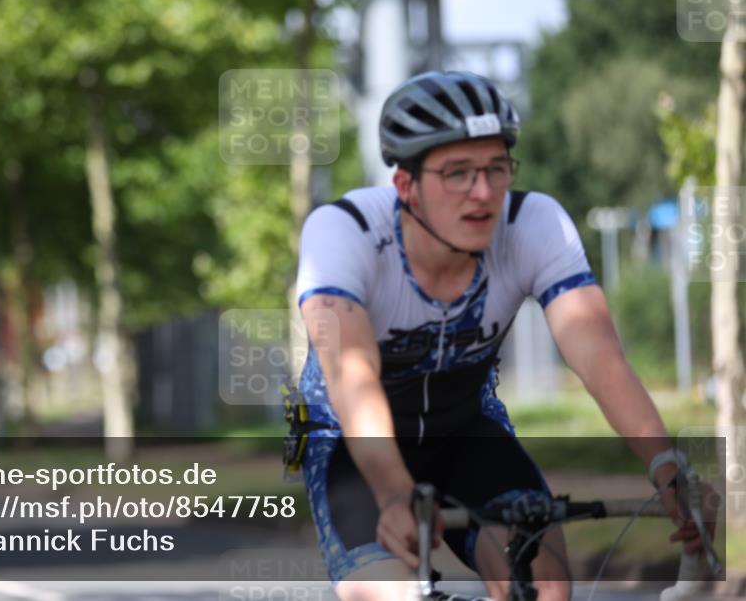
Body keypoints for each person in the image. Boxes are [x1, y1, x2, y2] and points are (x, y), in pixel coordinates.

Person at [292, 70, 711, 601]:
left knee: (545, 582)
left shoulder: (534, 224)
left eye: (496, 168)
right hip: (356, 446)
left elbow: (599, 357)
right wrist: (396, 494)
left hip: (466, 429)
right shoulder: (343, 231)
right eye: (458, 173)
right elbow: (351, 375)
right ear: (406, 186)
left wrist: (666, 466)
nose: (483, 192)